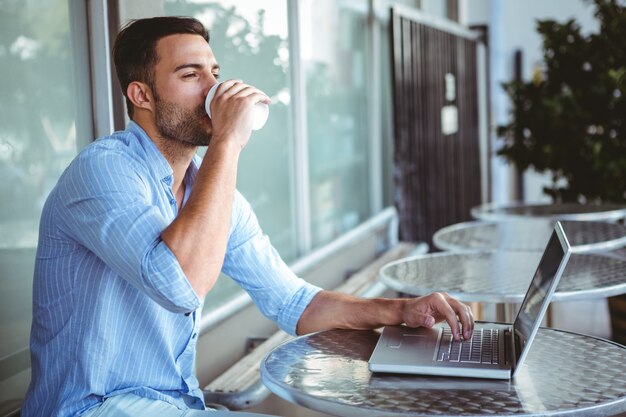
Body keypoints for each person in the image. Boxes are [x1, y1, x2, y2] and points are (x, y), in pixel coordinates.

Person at [22, 16, 474, 417]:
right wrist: (228, 142)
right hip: (92, 406)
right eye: (190, 75)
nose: (214, 89)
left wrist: (402, 310)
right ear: (141, 94)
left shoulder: (212, 196)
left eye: (214, 73)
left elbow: (294, 303)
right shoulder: (104, 169)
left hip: (174, 401)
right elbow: (178, 285)